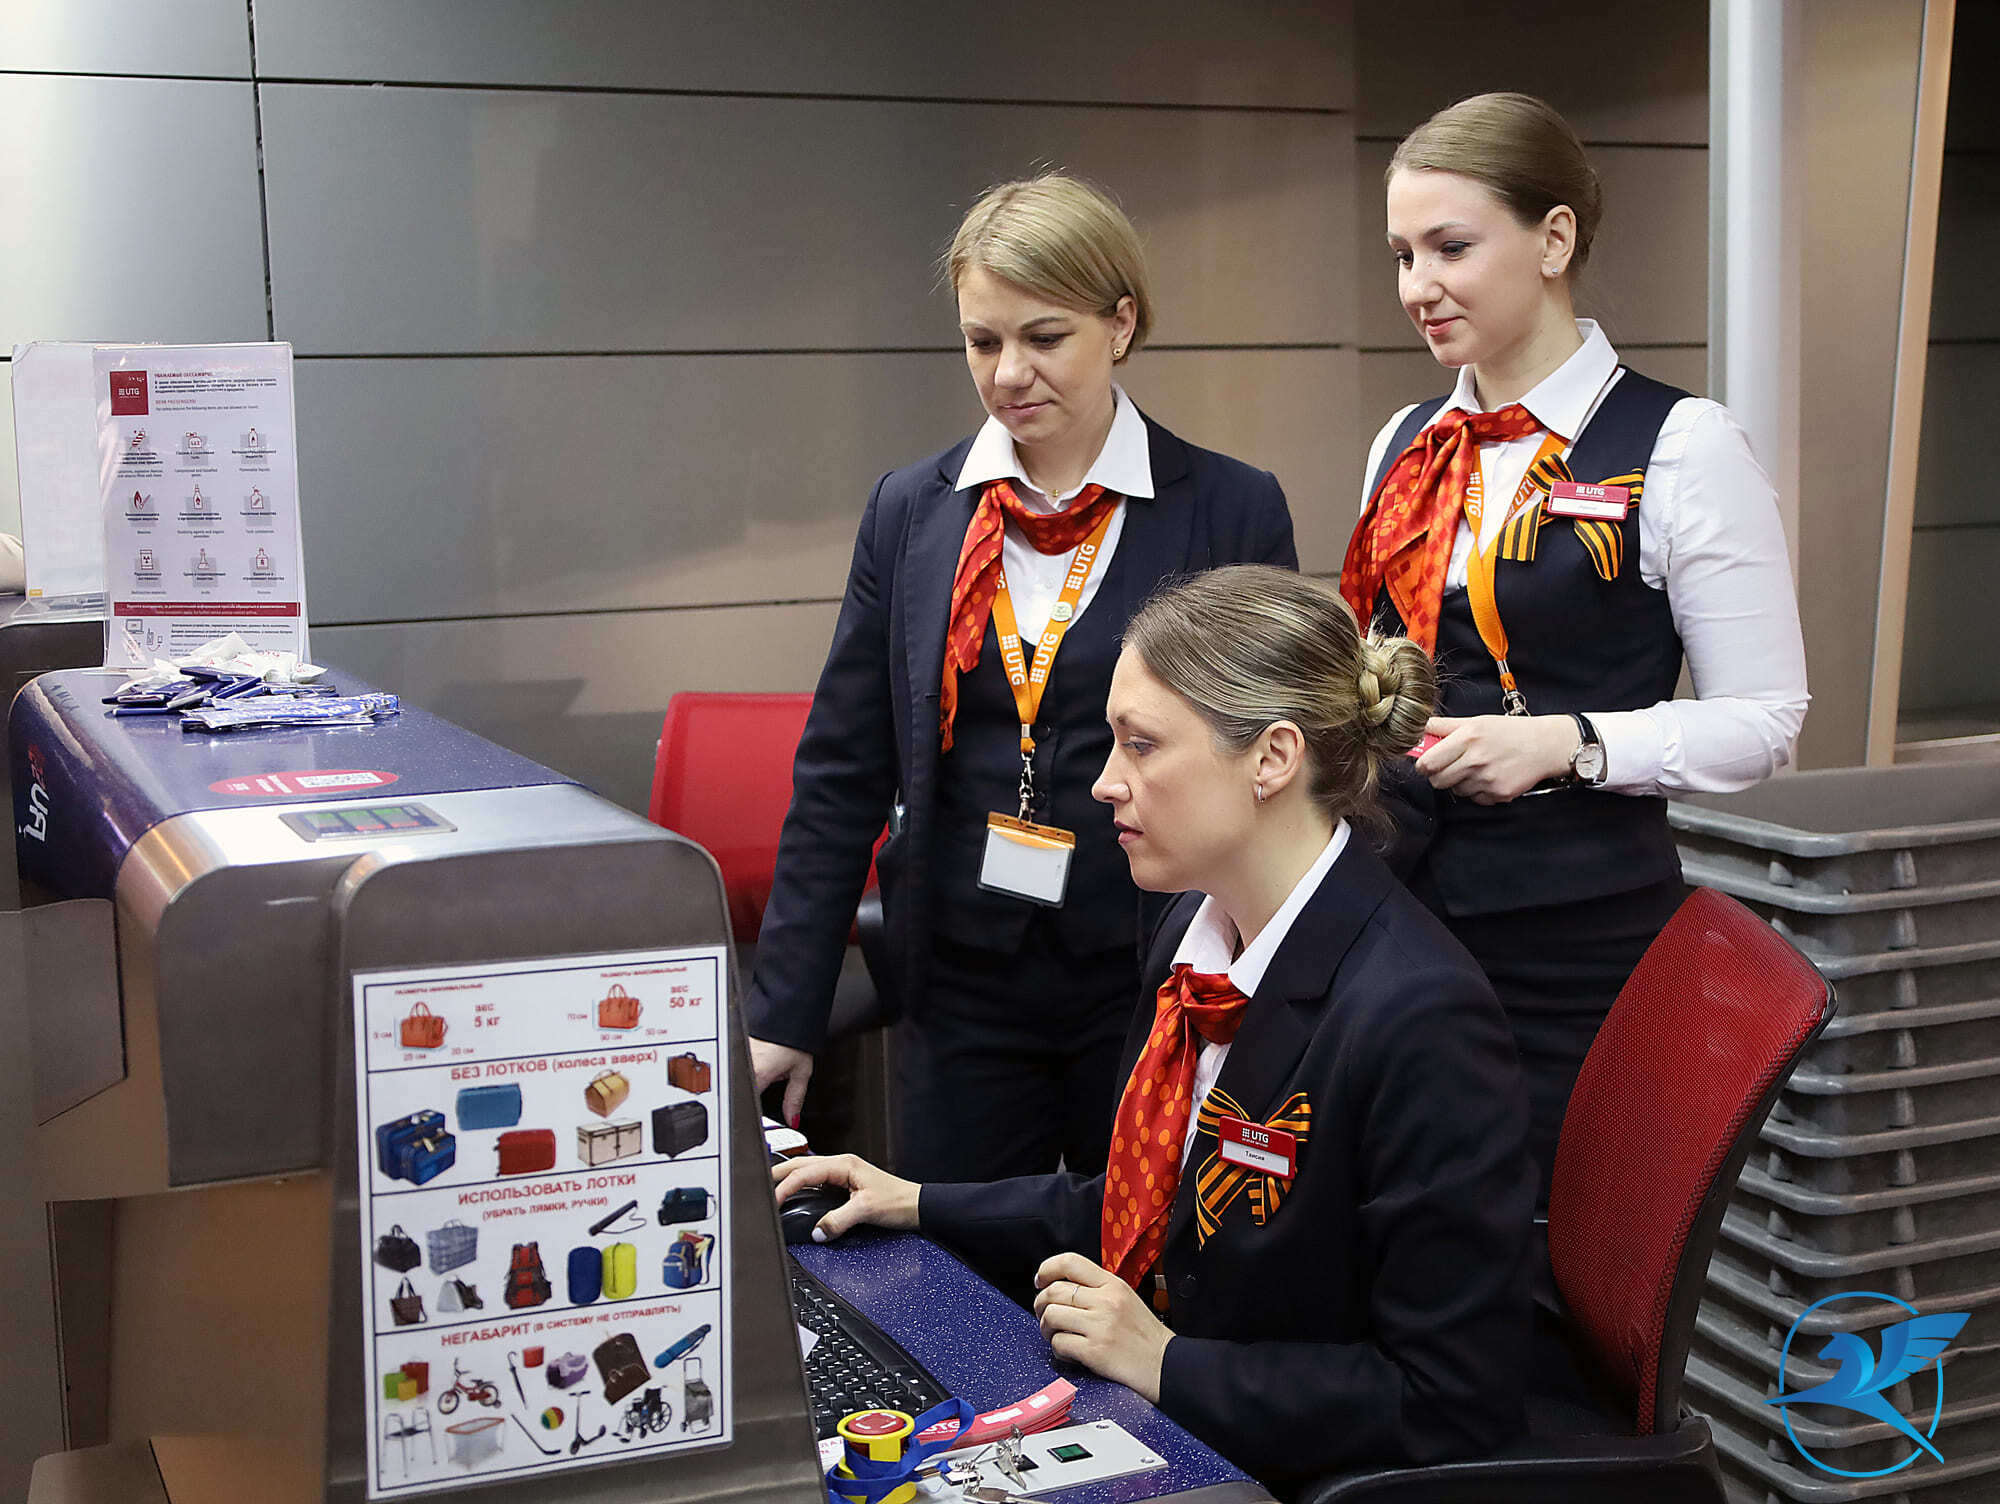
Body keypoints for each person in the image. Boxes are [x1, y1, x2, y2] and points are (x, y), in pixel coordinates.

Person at [773, 567, 1535, 1490]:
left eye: (1141, 746)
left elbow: (1451, 1399)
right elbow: (1149, 1200)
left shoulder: (1419, 1016)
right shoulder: (1191, 934)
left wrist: (1166, 1362)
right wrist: (916, 1201)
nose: (1104, 783)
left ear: (1272, 759)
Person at [744, 175, 1298, 1184]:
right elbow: (842, 770)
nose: (1008, 374)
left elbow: (1273, 778)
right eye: (981, 341)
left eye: (1044, 338)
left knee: (1131, 1253)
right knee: (951, 1252)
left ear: (1119, 323)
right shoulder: (911, 511)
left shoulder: (1228, 509)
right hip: (958, 982)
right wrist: (783, 1010)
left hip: (1150, 975)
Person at [1344, 92, 1809, 1196]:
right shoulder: (1404, 442)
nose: (1417, 287)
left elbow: (1766, 722)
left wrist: (1572, 742)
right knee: (1408, 1232)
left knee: (1550, 1250)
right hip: (1395, 917)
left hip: (1576, 951)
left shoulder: (1682, 444)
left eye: (1450, 248)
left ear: (1553, 240)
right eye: (1402, 255)